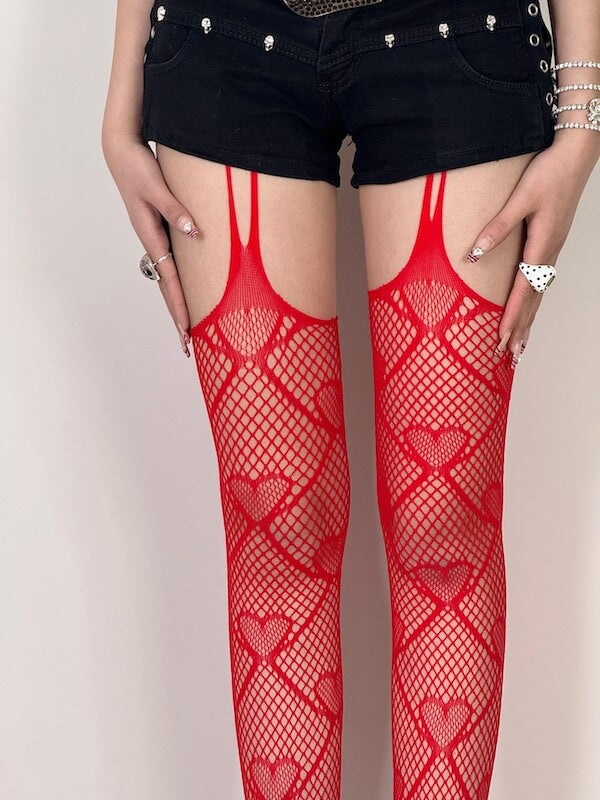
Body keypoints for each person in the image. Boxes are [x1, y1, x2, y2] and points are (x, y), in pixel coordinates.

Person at [102, 1, 599, 797]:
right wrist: (122, 90)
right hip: (221, 34)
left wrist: (581, 120)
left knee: (445, 527)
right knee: (276, 526)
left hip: (460, 30)